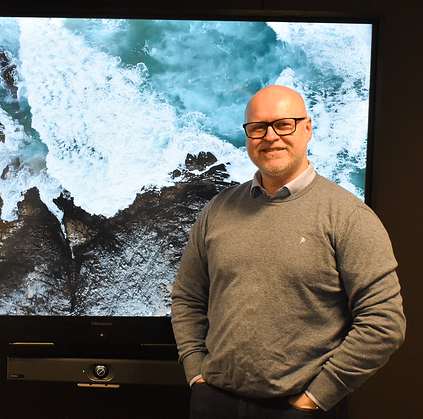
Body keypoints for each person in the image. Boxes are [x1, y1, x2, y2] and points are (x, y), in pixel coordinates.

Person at [171, 85, 406, 418]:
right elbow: (187, 297)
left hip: (300, 409)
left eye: (284, 124)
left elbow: (384, 323)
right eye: (258, 128)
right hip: (214, 402)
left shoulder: (348, 217)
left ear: (307, 128)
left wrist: (315, 397)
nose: (270, 137)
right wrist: (195, 370)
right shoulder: (217, 210)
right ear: (248, 135)